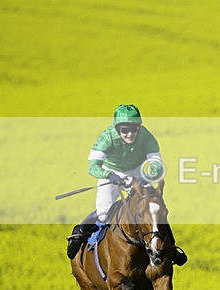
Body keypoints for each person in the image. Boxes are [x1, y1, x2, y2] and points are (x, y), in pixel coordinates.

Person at [66, 104, 187, 265]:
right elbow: (93, 166)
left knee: (152, 207)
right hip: (110, 172)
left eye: (134, 129)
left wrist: (147, 176)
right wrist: (109, 175)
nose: (129, 134)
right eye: (124, 130)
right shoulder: (106, 137)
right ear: (117, 129)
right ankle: (80, 231)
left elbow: (156, 163)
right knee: (104, 214)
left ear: (139, 127)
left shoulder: (146, 136)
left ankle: (171, 248)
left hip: (136, 171)